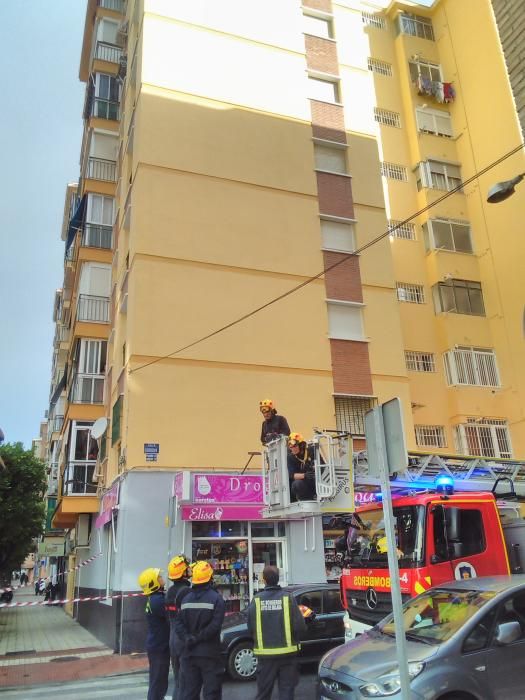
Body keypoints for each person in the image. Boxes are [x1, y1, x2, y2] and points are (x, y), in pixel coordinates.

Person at [247, 565, 307, 700]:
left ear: (264, 580)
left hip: (265, 657)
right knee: (286, 693)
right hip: (288, 656)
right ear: (278, 579)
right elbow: (300, 626)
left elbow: (250, 627)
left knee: (263, 694)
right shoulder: (288, 598)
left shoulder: (256, 600)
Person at [175, 560, 225, 700]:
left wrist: (187, 638)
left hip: (189, 653)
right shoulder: (216, 599)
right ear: (210, 578)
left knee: (189, 693)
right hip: (209, 655)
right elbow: (215, 627)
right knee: (212, 694)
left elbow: (178, 623)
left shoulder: (185, 599)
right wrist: (198, 638)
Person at [138, 567, 170, 700]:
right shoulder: (157, 601)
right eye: (159, 577)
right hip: (159, 647)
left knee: (159, 682)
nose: (162, 578)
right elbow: (171, 616)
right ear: (153, 583)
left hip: (157, 646)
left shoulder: (156, 598)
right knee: (158, 684)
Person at [165, 555, 191, 700]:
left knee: (179, 682)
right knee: (187, 682)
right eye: (187, 568)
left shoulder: (170, 591)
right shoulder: (186, 591)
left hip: (173, 639)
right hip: (183, 639)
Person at [287, 433, 317, 502]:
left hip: (315, 480)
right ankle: (304, 500)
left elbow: (322, 465)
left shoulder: (311, 450)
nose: (292, 449)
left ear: (301, 445)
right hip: (304, 482)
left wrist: (315, 470)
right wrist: (305, 475)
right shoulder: (290, 457)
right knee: (296, 484)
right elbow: (292, 475)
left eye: (295, 446)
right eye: (290, 447)